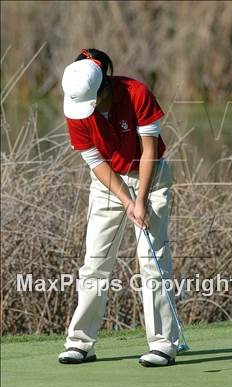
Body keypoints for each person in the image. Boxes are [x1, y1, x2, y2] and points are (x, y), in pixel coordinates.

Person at [58, 48, 179, 367]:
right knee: (95, 262)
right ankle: (80, 342)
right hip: (108, 183)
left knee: (151, 259)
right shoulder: (76, 110)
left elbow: (150, 150)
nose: (88, 111)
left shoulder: (136, 93)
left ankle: (164, 343)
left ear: (104, 88)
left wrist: (140, 199)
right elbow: (95, 161)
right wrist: (126, 200)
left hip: (150, 176)